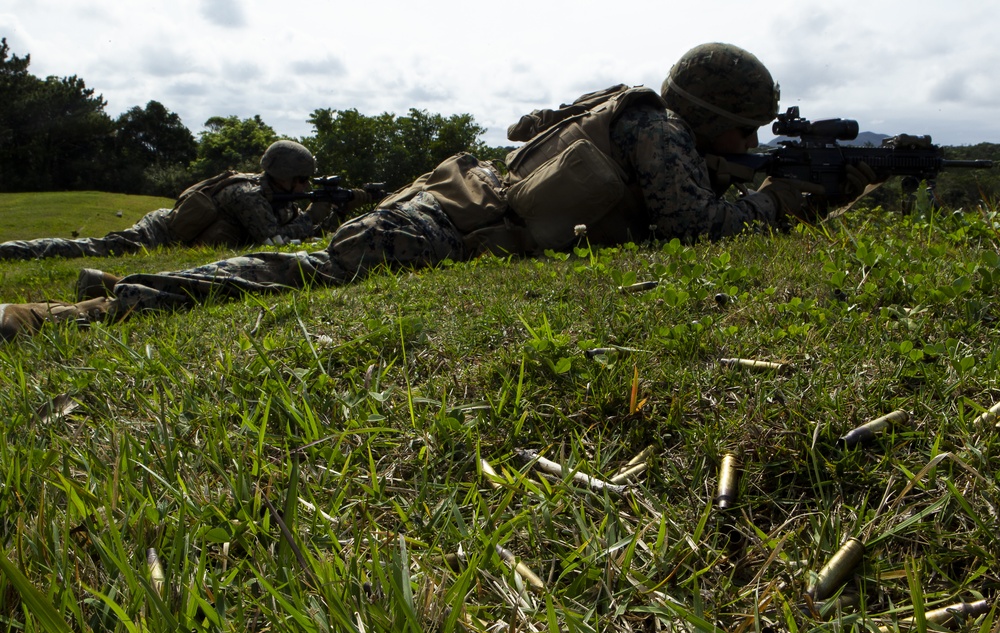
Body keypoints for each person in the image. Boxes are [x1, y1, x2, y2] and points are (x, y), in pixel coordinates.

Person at [0, 42, 876, 341]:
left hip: (454, 205)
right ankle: (84, 315)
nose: (750, 144)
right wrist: (788, 200)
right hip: (447, 229)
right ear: (711, 113)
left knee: (303, 266)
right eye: (743, 129)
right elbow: (696, 232)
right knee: (303, 275)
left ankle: (114, 291)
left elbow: (531, 135)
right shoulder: (659, 130)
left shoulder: (630, 114)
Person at [0, 140, 337, 261]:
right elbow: (274, 241)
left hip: (174, 231)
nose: (304, 186)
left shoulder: (276, 195)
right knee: (90, 248)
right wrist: (314, 214)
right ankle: (15, 250)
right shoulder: (246, 194)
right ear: (282, 174)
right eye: (301, 180)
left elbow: (287, 227)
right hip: (156, 233)